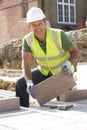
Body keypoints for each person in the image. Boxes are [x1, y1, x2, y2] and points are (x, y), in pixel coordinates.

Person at [15, 7, 79, 107]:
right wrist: (29, 82)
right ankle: (23, 110)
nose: (37, 28)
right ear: (29, 26)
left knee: (62, 103)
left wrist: (68, 63)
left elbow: (75, 52)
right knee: (20, 83)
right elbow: (26, 63)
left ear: (44, 22)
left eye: (39, 23)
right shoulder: (28, 40)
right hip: (44, 72)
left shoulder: (58, 35)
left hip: (62, 73)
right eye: (33, 25)